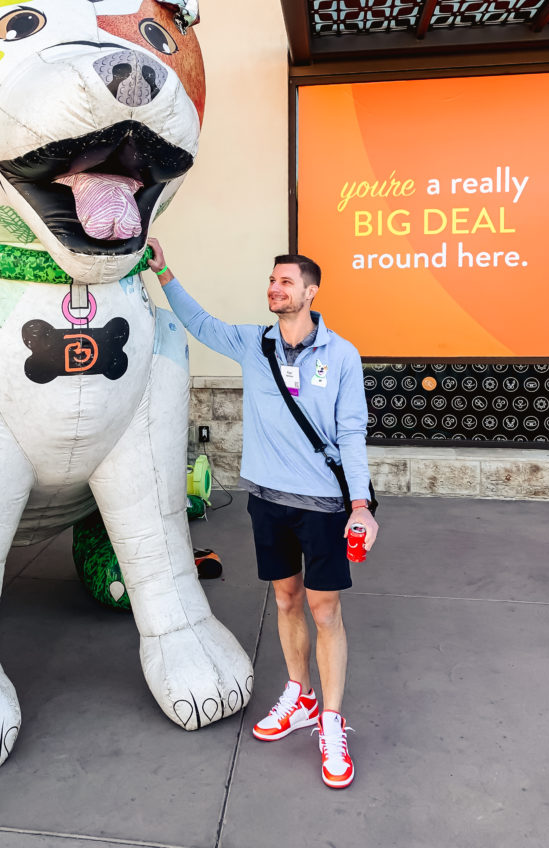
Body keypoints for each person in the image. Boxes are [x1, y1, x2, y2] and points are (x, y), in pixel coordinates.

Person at [147, 238, 378, 789]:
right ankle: (299, 696)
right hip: (268, 501)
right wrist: (164, 270)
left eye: (286, 282)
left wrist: (361, 507)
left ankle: (331, 720)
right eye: (272, 281)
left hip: (323, 504)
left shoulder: (341, 355)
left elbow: (351, 432)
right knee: (286, 598)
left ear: (311, 292)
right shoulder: (255, 344)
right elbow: (200, 324)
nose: (275, 289)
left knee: (326, 612)